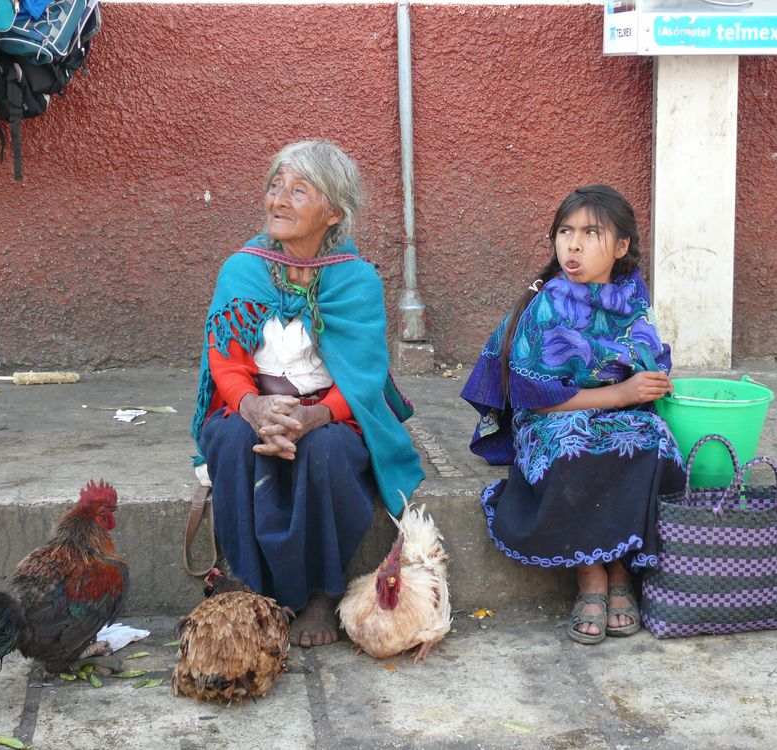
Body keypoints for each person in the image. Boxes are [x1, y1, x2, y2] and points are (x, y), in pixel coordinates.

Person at [191, 140, 424, 648]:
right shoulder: (242, 269)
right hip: (250, 403)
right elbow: (225, 361)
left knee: (328, 454)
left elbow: (362, 380)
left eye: (299, 191)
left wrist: (313, 417)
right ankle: (245, 587)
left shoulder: (356, 280)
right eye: (275, 185)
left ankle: (320, 593)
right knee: (231, 442)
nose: (279, 200)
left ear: (334, 212)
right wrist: (253, 408)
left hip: (329, 412)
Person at [461, 185, 684, 644]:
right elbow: (533, 396)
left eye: (589, 233)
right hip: (550, 417)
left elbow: (647, 365)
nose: (573, 245)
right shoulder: (548, 304)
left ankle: (620, 566)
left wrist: (649, 384)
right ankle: (591, 574)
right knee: (574, 442)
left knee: (652, 439)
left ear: (621, 247)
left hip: (617, 410)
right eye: (565, 231)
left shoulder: (632, 299)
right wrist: (620, 394)